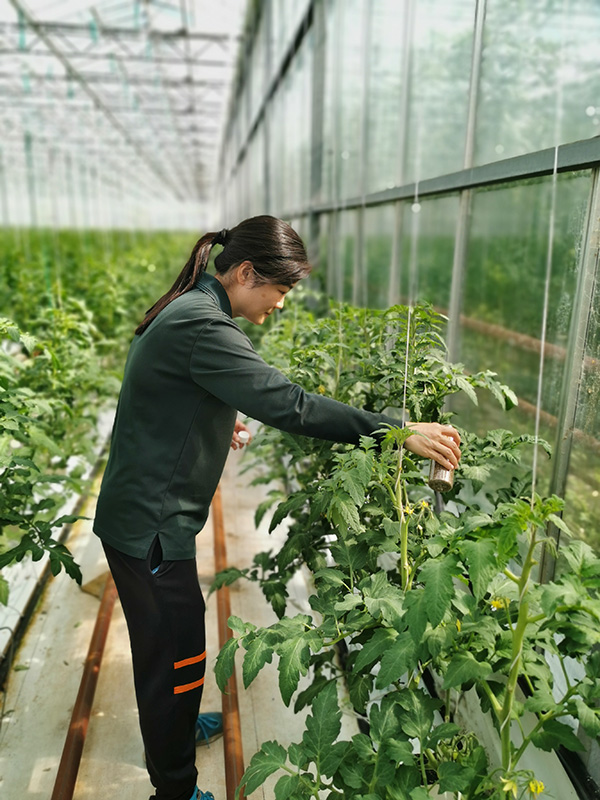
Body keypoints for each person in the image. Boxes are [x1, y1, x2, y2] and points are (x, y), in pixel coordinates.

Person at [93, 215, 461, 800]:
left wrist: (220, 419)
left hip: (145, 518)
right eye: (281, 291)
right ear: (245, 273)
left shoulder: (193, 308)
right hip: (152, 532)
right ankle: (175, 785)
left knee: (170, 652)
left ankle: (177, 729)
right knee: (177, 659)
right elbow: (292, 405)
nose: (281, 305)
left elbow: (171, 394)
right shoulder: (204, 327)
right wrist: (396, 431)